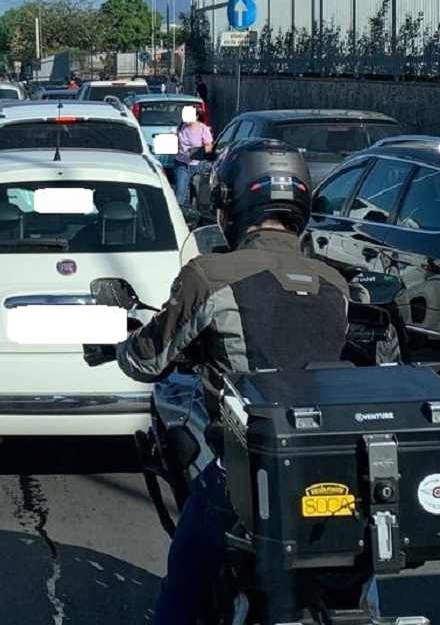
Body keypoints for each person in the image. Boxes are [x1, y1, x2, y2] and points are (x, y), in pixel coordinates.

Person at [110, 139, 350, 625]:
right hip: (329, 463)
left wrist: (124, 347)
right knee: (350, 568)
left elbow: (146, 362)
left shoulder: (210, 274)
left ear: (229, 205)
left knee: (186, 571)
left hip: (245, 467)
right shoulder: (336, 284)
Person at [171, 106, 213, 208]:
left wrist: (196, 151)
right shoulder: (181, 127)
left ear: (196, 116)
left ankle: (195, 213)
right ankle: (180, 215)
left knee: (197, 194)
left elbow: (209, 147)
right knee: (180, 192)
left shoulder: (203, 128)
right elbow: (176, 144)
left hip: (198, 165)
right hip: (182, 164)